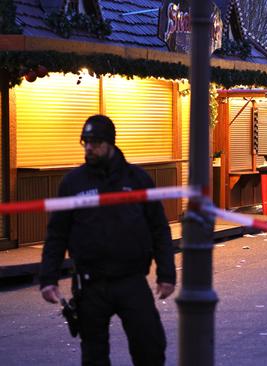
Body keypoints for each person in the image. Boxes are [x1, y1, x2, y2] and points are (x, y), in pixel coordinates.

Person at [39, 114, 176, 366]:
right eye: (85, 142)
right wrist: (48, 278)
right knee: (94, 357)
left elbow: (159, 228)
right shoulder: (73, 183)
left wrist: (166, 274)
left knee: (150, 347)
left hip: (131, 280)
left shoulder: (137, 180)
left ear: (110, 143)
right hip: (90, 284)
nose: (89, 147)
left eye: (95, 142)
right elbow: (57, 233)